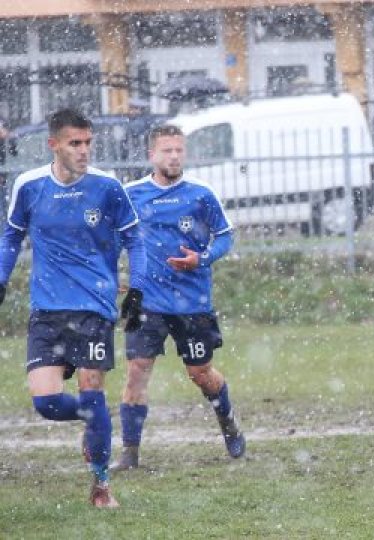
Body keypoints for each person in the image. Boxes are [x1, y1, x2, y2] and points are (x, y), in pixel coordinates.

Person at [0, 108, 147, 508]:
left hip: (94, 308)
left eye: (88, 143)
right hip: (46, 309)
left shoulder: (107, 187)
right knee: (47, 403)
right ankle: (92, 420)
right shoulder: (29, 186)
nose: (84, 151)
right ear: (54, 145)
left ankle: (101, 486)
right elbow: (11, 237)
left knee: (92, 388)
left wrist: (137, 287)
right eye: (75, 143)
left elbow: (134, 238)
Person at [112, 124, 244, 471]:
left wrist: (201, 259)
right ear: (151, 155)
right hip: (148, 302)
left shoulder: (200, 194)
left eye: (178, 150)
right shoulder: (130, 194)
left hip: (192, 303)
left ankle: (228, 420)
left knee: (201, 374)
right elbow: (111, 239)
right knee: (136, 373)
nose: (173, 156)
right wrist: (113, 276)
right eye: (167, 150)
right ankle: (129, 453)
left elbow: (225, 237)